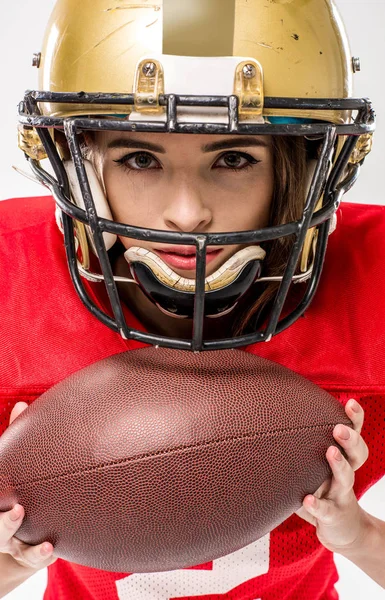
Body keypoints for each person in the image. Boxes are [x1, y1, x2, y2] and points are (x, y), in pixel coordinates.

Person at [0, 0, 384, 598]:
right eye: (139, 158)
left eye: (232, 158)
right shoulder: (12, 278)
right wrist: (12, 559)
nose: (188, 214)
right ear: (82, 172)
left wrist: (356, 534)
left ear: (300, 170)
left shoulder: (373, 278)